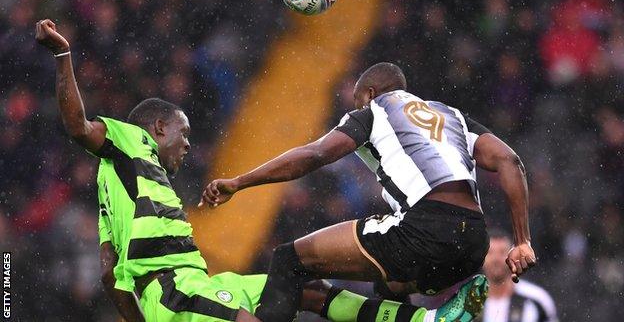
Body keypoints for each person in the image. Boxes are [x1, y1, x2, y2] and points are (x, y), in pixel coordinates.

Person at [35, 19, 479, 322]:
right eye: (183, 134)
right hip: (172, 292)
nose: (188, 145)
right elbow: (77, 125)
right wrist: (63, 55)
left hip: (198, 282)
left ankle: (428, 318)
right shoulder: (130, 141)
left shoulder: (121, 186)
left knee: (306, 288)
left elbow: (109, 272)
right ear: (158, 126)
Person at [203, 62, 537, 322]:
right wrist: (522, 240)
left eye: (357, 101)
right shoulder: (452, 116)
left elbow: (315, 155)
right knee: (387, 288)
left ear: (370, 93)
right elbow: (510, 160)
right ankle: (430, 317)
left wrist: (240, 182)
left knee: (288, 260)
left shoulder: (375, 111)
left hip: (424, 231)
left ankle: (429, 319)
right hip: (472, 244)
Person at [478, 229, 557, 322]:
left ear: (513, 257)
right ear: (482, 258)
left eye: (502, 252)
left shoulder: (536, 299)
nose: (496, 259)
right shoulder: (466, 302)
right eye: (490, 253)